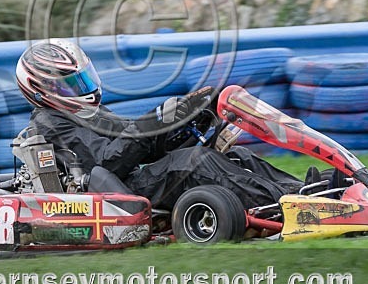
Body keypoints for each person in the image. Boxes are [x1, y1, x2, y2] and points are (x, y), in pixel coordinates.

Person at [15, 39, 305, 211]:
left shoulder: (91, 111)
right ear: (41, 90)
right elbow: (107, 162)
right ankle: (292, 205)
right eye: (69, 85)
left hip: (132, 178)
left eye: (82, 80)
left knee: (232, 155)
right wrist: (151, 123)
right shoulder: (50, 123)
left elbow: (137, 147)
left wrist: (179, 127)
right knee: (196, 162)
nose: (82, 89)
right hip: (113, 192)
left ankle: (308, 190)